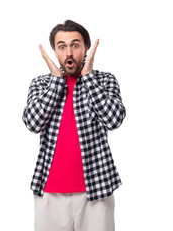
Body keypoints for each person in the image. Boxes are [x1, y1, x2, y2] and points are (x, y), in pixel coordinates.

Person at [22, 20, 126, 231]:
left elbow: (114, 120)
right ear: (55, 51)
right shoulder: (41, 84)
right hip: (50, 192)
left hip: (96, 188)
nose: (69, 52)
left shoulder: (105, 81)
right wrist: (56, 81)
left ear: (86, 48)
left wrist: (88, 77)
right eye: (62, 46)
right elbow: (33, 123)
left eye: (75, 45)